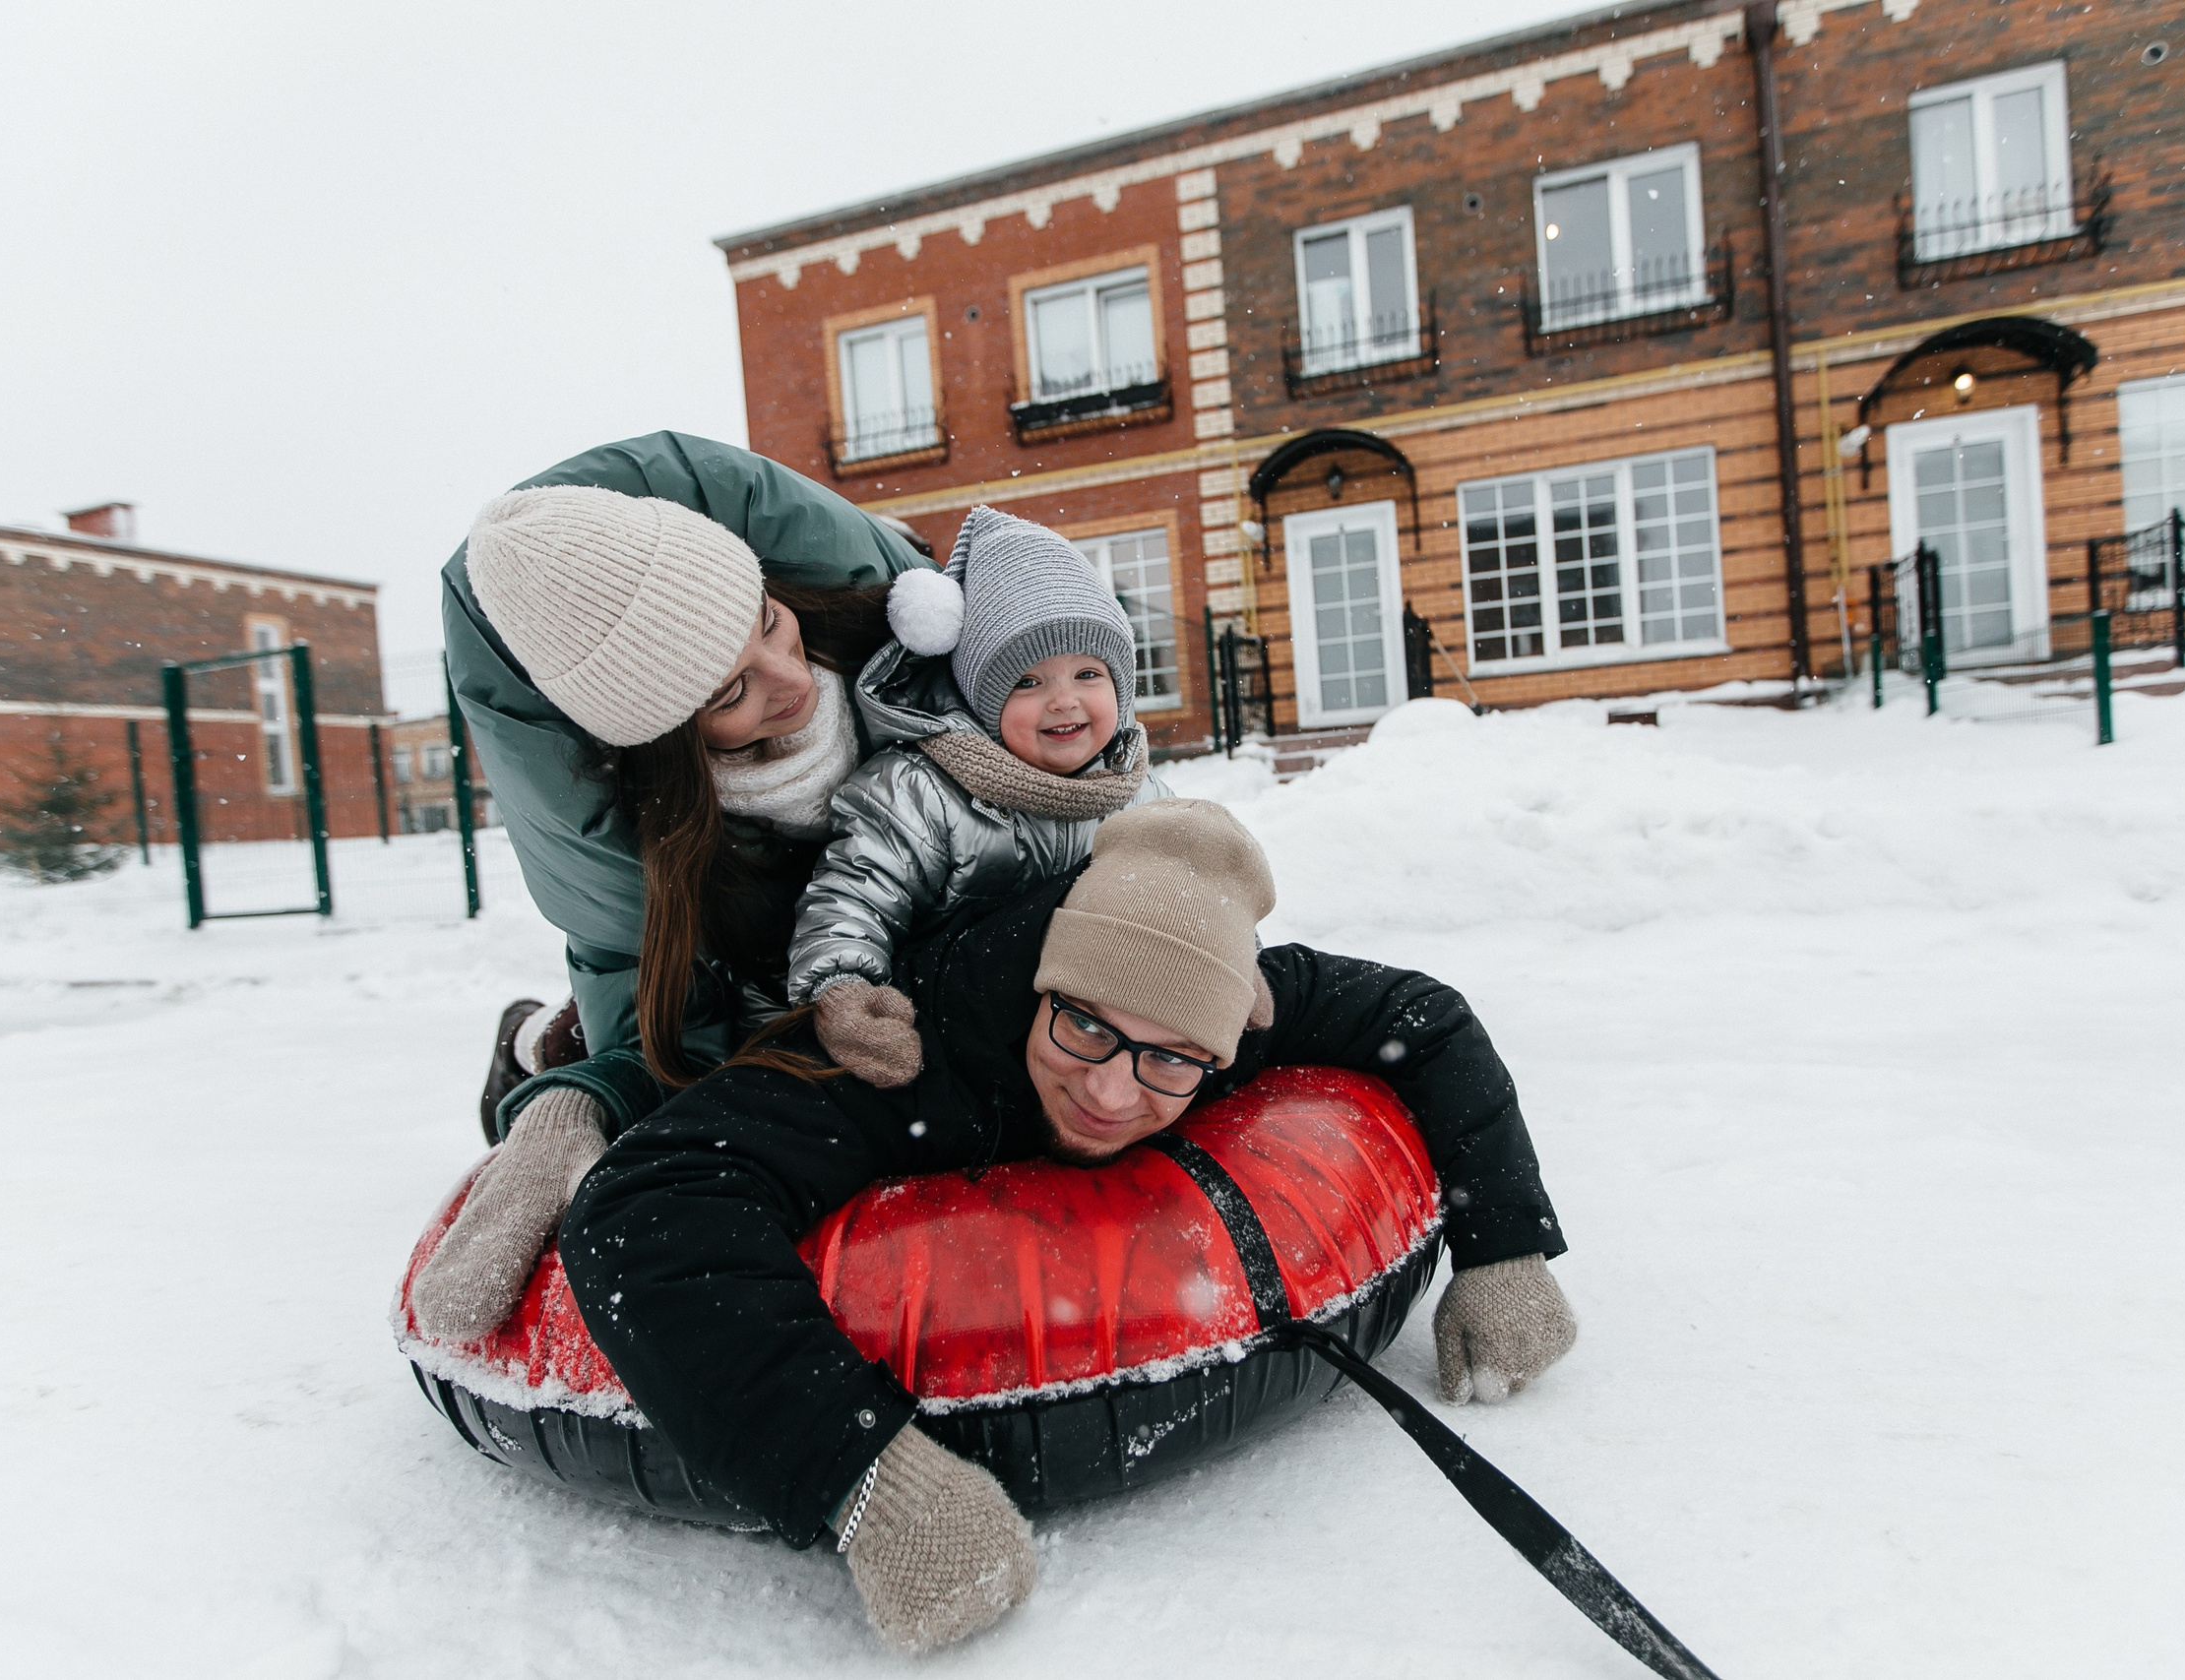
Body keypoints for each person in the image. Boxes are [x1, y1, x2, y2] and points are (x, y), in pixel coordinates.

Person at [561, 800, 1577, 1653]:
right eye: (1082, 1025)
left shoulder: (1237, 1006)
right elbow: (640, 1207)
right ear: (1042, 989)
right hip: (739, 1013)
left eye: (1170, 1061)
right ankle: (543, 1066)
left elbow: (1424, 1017)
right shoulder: (912, 1049)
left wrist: (1503, 1248)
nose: (1106, 1089)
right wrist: (860, 1477)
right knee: (626, 1079)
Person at [411, 434, 929, 1338]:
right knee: (685, 1046)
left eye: (768, 621)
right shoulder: (655, 838)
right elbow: (662, 1008)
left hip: (880, 946)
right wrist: (589, 1100)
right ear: (669, 739)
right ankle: (537, 1046)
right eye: (731, 691)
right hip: (755, 971)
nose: (791, 680)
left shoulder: (887, 641)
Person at [794, 504, 1170, 1087]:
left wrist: (1229, 970)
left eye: (1088, 674)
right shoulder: (920, 791)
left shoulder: (1140, 789)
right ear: (981, 701)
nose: (1064, 700)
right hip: (951, 1039)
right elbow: (858, 891)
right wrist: (845, 987)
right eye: (1027, 681)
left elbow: (1200, 889)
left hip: (1095, 1045)